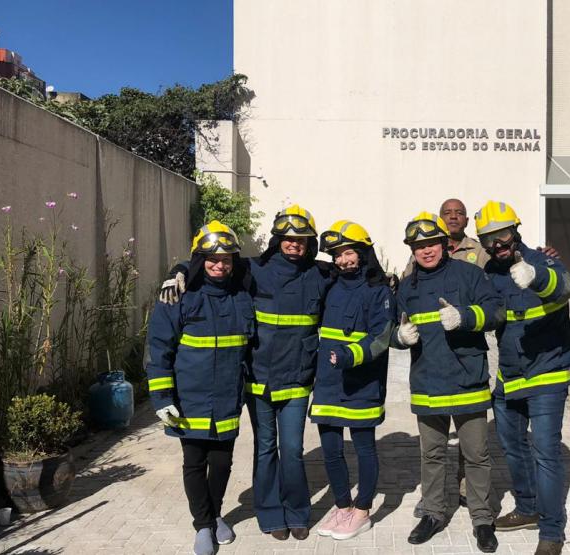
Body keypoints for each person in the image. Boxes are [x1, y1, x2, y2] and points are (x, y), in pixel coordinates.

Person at [159, 205, 334, 541]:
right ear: (277, 239)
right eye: (287, 238)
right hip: (259, 380)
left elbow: (353, 275)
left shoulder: (321, 275)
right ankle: (269, 514)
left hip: (297, 380)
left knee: (294, 450)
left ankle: (297, 510)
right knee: (266, 448)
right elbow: (213, 260)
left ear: (309, 242)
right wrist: (177, 269)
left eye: (301, 239)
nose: (293, 244)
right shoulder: (255, 269)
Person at [390, 211, 503, 553]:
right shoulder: (407, 287)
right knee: (432, 455)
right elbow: (392, 329)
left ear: (443, 244)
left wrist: (465, 317)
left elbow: (496, 312)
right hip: (427, 382)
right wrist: (399, 337)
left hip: (467, 379)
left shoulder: (469, 274)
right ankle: (434, 513)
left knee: (477, 455)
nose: (425, 251)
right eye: (418, 246)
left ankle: (483, 518)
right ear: (412, 250)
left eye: (431, 244)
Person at [473, 201, 570, 555]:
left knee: (546, 453)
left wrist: (538, 277)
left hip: (546, 374)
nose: (497, 245)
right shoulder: (490, 273)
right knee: (513, 448)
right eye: (488, 240)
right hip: (509, 378)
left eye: (501, 235)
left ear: (515, 230)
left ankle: (551, 531)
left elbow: (566, 287)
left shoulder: (544, 260)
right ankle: (529, 508)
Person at [146, 220, 253, 555]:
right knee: (194, 463)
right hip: (189, 400)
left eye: (226, 260)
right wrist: (162, 398)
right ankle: (202, 525)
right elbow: (159, 347)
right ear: (199, 258)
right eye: (211, 258)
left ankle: (217, 514)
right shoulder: (178, 296)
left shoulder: (242, 294)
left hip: (227, 399)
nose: (219, 265)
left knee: (222, 464)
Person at [309, 220, 396, 540]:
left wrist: (350, 356)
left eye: (348, 253)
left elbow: (381, 337)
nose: (342, 260)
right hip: (329, 382)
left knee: (363, 449)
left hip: (363, 383)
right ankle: (343, 506)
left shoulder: (379, 290)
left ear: (363, 252)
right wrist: (182, 268)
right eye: (337, 255)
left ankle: (362, 511)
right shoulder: (330, 283)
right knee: (330, 450)